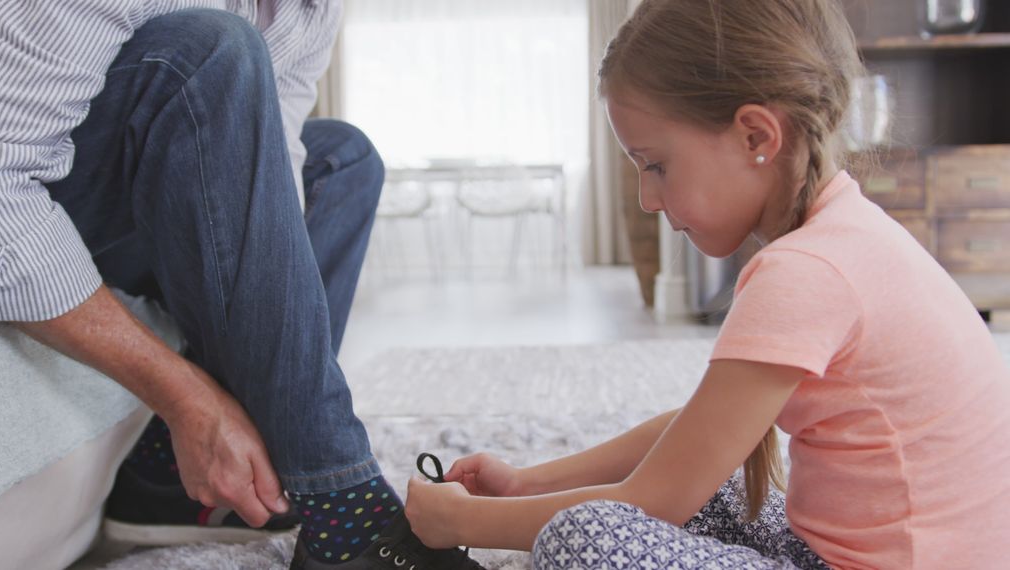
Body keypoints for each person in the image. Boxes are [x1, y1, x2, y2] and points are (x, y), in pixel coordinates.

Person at [403, 0, 1010, 568]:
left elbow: (656, 498)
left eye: (657, 165)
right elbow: (698, 429)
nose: (646, 198)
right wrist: (527, 483)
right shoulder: (849, 232)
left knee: (582, 536)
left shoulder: (804, 274)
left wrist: (466, 523)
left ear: (756, 137)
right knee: (708, 474)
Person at [0, 1, 482, 568]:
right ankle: (345, 509)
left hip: (117, 194)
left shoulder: (313, 9)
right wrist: (186, 398)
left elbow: (272, 160)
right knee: (205, 50)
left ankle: (162, 481)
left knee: (342, 160)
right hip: (2, 179)